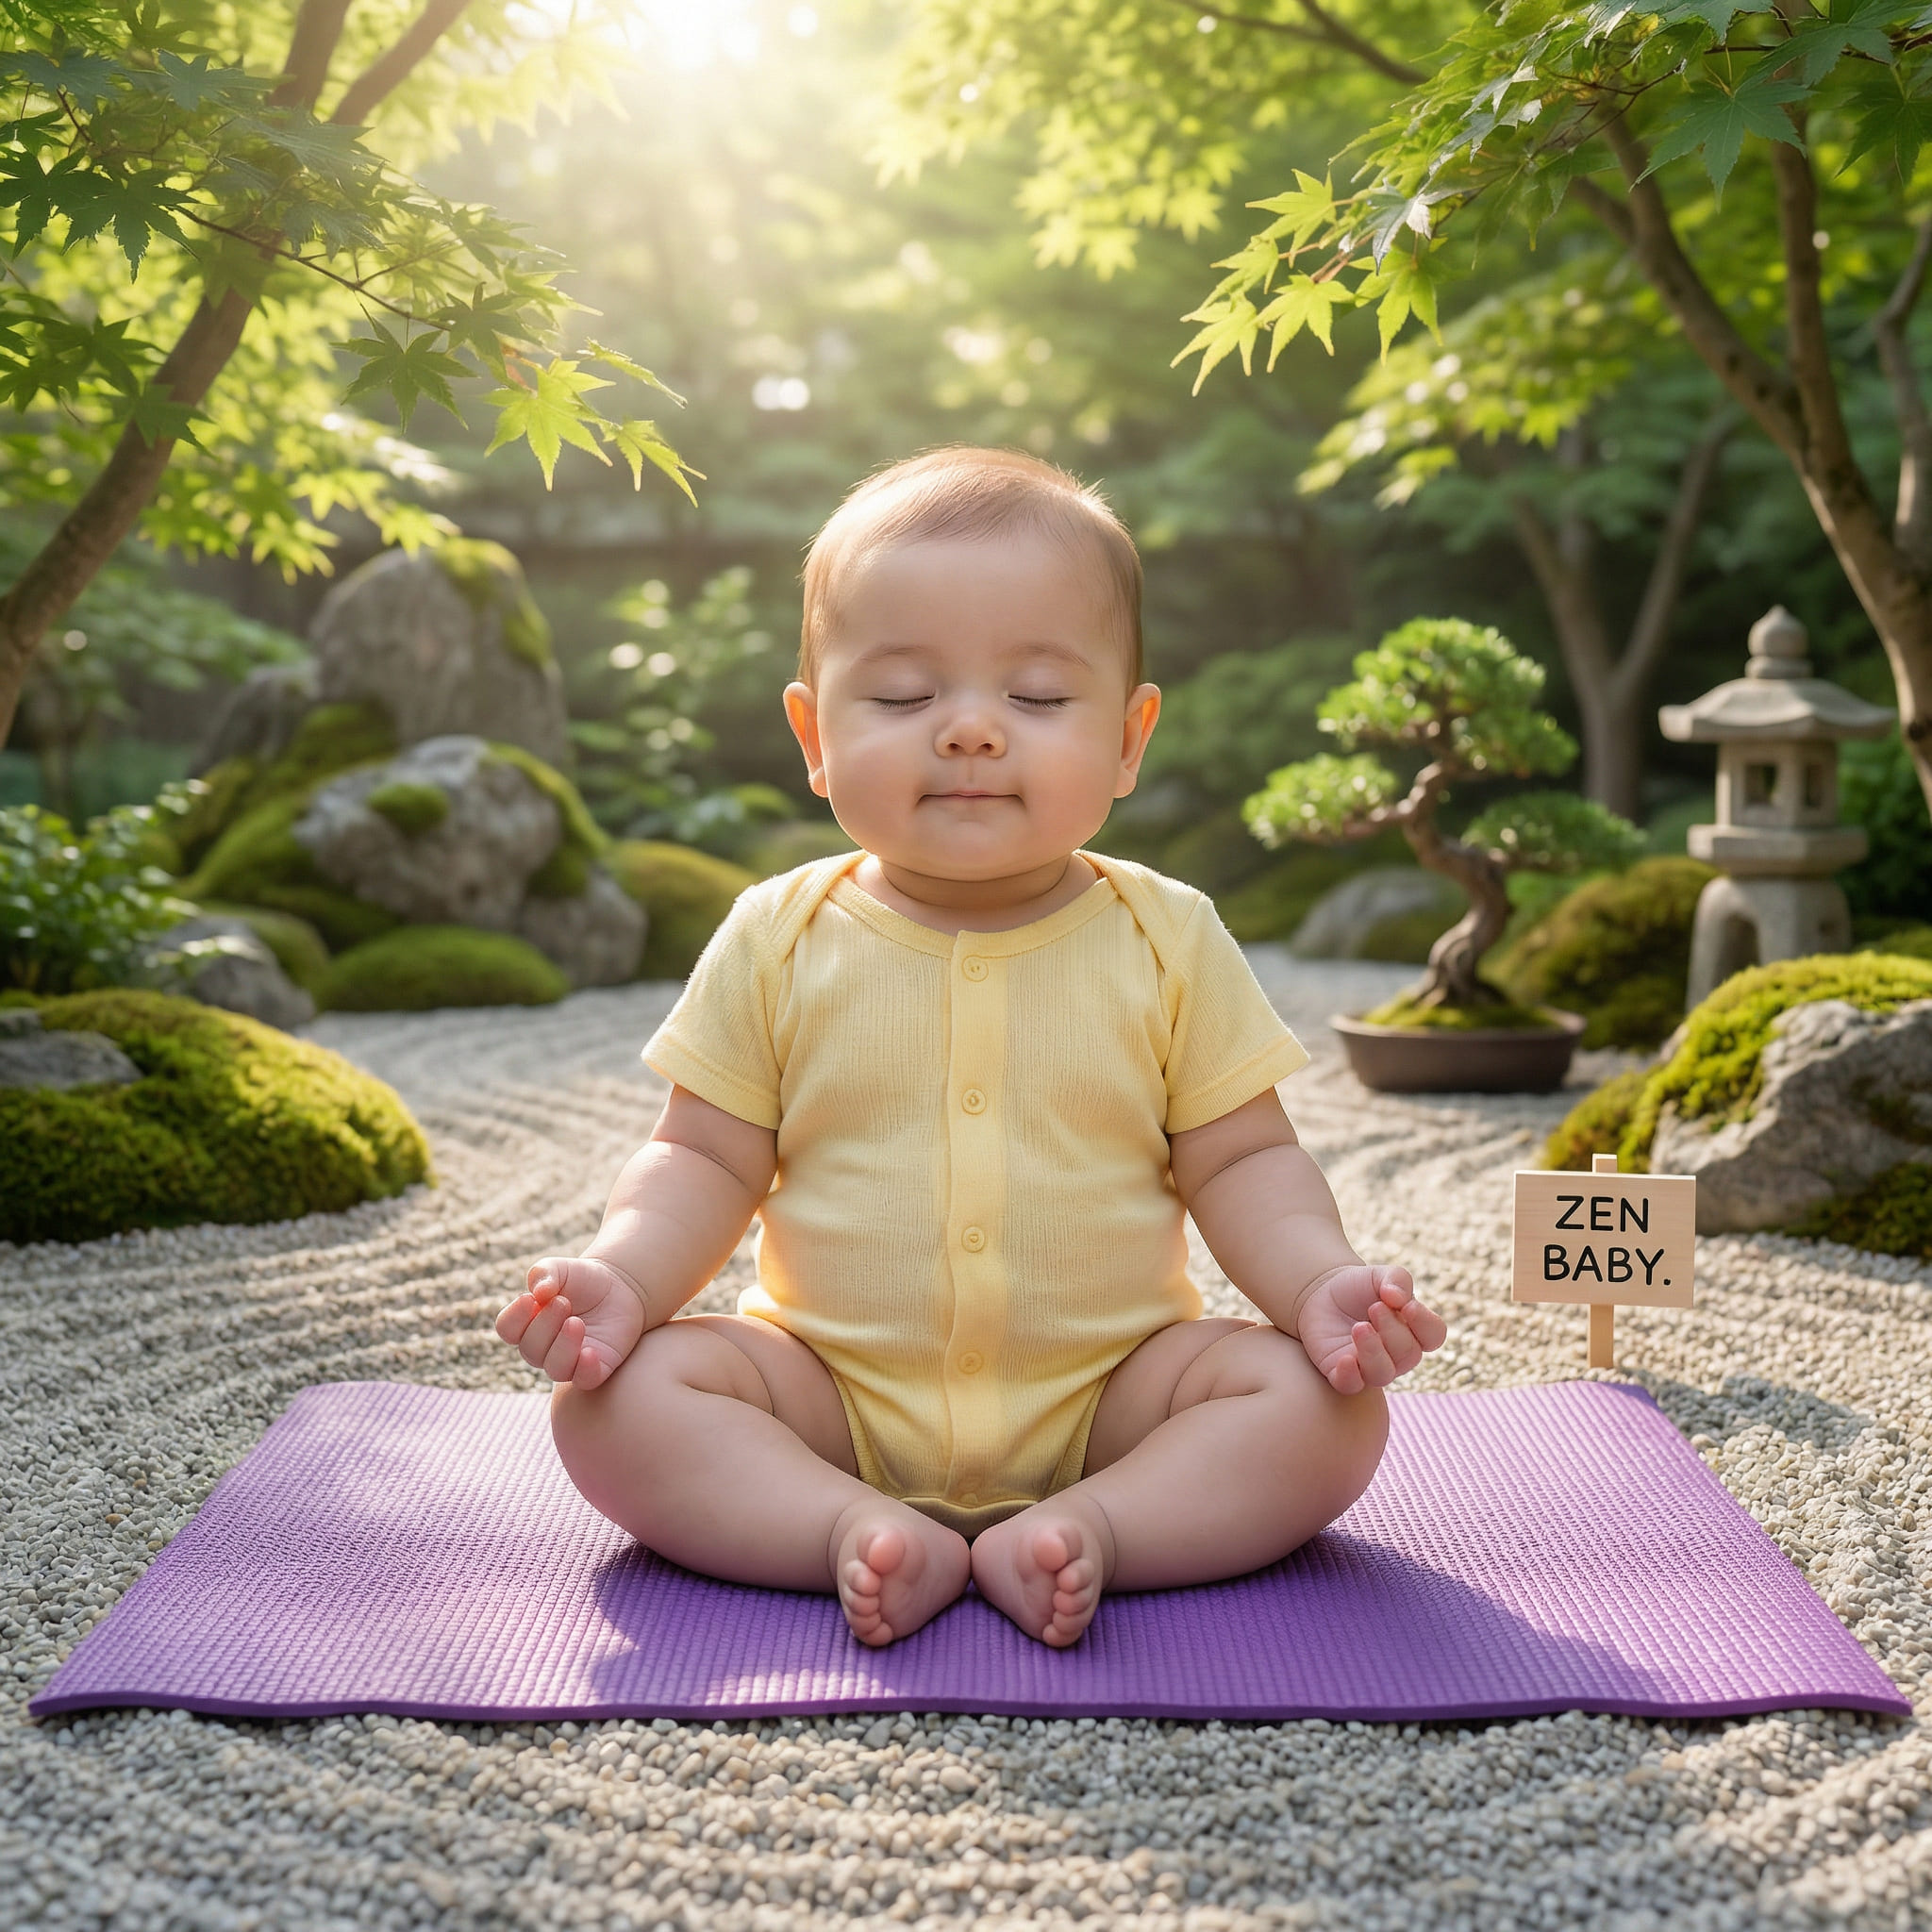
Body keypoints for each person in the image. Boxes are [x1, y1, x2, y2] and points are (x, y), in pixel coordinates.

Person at [497, 446, 1446, 1649]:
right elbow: (700, 1157)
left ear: (1127, 737)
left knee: (1321, 1410)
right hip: (824, 1391)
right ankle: (841, 1525)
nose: (969, 733)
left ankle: (1096, 1525)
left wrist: (1319, 1285)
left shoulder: (1169, 934)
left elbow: (1243, 1159)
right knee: (613, 1409)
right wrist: (621, 1282)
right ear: (813, 731)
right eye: (900, 698)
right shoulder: (776, 934)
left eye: (1039, 699)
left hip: (1117, 1393)